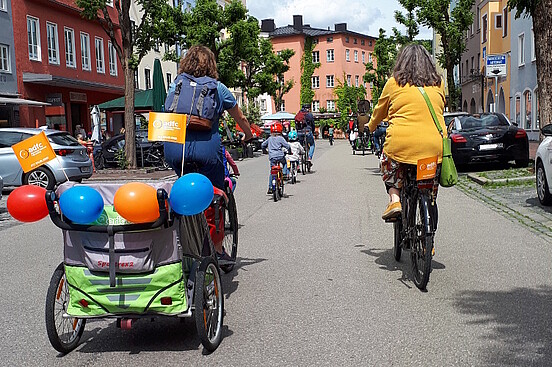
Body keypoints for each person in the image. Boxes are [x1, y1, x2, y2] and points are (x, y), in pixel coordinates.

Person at [163, 45, 253, 261]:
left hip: (176, 150)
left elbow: (165, 116)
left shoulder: (176, 85)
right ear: (211, 65)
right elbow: (239, 117)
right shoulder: (218, 88)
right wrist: (248, 135)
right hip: (207, 151)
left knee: (181, 192)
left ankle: (179, 244)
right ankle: (219, 249)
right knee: (216, 196)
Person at [367, 44, 446, 220]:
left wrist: (370, 127)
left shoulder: (393, 83)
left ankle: (394, 199)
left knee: (389, 163)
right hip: (433, 147)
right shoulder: (439, 83)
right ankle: (428, 226)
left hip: (401, 144)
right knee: (428, 187)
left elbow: (379, 111)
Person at [261, 123, 290, 194]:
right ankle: (284, 173)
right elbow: (287, 146)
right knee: (285, 163)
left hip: (272, 157)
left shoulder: (269, 138)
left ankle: (270, 187)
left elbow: (263, 145)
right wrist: (290, 151)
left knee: (272, 171)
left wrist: (264, 151)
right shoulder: (281, 138)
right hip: (280, 156)